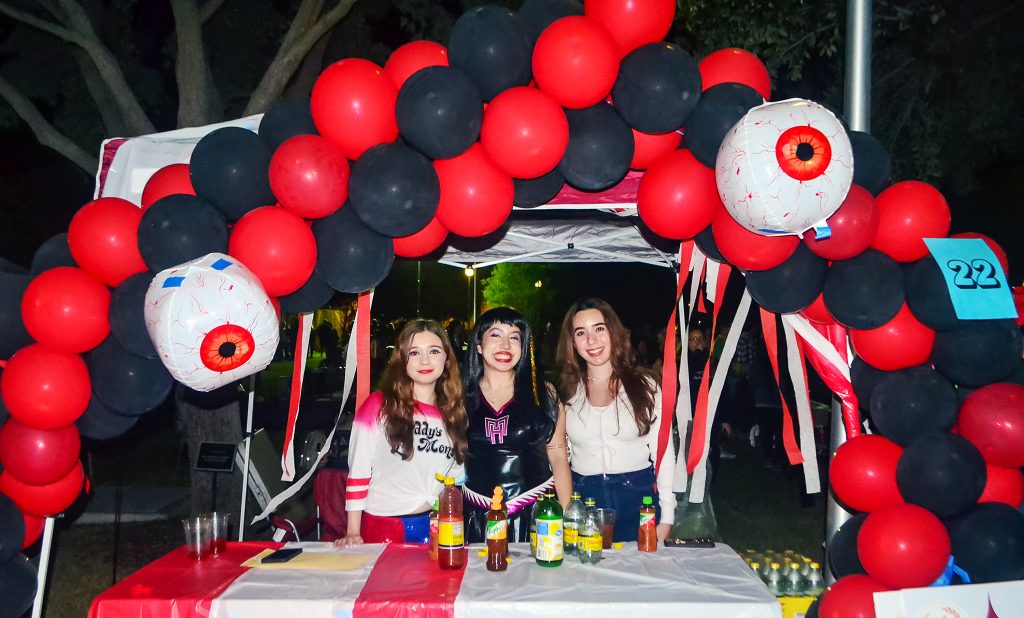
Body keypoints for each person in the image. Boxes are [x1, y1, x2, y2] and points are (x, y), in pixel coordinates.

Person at [336, 319, 468, 547]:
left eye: (434, 351)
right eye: (414, 353)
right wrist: (353, 531)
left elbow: (455, 479)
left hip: (437, 528)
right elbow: (358, 470)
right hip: (385, 527)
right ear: (402, 360)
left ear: (446, 358)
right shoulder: (378, 405)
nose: (425, 360)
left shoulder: (454, 413)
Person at [556, 298, 676, 543]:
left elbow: (664, 453)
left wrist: (667, 516)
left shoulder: (646, 385)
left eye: (599, 329)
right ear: (573, 343)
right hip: (585, 499)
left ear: (614, 332)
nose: (592, 340)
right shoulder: (567, 391)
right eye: (581, 332)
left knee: (640, 576)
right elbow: (559, 455)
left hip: (638, 497)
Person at [461, 307, 572, 543]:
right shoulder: (459, 396)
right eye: (495, 335)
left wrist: (566, 517)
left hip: (536, 512)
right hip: (476, 514)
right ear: (478, 345)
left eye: (514, 337)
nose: (505, 345)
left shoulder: (543, 392)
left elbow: (558, 454)